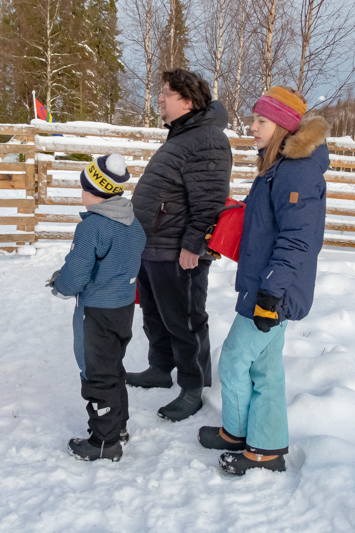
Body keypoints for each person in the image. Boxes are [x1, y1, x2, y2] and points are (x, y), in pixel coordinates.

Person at [198, 87, 329, 475]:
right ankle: (255, 442)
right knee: (266, 369)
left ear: (284, 126)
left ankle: (251, 443)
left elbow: (297, 239)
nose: (251, 127)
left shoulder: (297, 172)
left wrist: (271, 293)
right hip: (264, 283)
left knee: (236, 359)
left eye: (261, 121)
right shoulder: (277, 168)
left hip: (274, 290)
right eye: (254, 118)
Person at [127, 69, 232, 422]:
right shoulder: (183, 135)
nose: (160, 98)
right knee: (155, 315)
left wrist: (194, 245)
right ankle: (160, 368)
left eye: (167, 94)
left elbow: (210, 200)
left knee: (185, 319)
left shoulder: (207, 139)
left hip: (178, 251)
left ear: (187, 101)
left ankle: (193, 385)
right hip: (154, 246)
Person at [47, 154, 146, 462]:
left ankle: (104, 441)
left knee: (95, 372)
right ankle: (118, 428)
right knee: (112, 366)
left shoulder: (94, 226)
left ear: (93, 190)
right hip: (123, 307)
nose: (81, 193)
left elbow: (76, 272)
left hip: (98, 310)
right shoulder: (132, 221)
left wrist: (60, 285)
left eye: (83, 187)